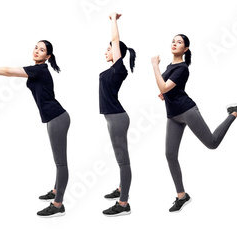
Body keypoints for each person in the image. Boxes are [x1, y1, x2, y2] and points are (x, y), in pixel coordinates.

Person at [151, 34, 237, 213]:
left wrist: (154, 67)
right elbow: (166, 89)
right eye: (173, 41)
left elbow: (164, 86)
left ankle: (234, 113)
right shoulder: (169, 66)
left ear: (186, 49)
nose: (175, 43)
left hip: (187, 111)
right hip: (173, 115)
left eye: (179, 42)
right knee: (170, 154)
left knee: (212, 143)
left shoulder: (182, 68)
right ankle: (182, 196)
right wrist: (164, 94)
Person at [0, 40, 70, 217]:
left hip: (57, 118)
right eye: (36, 47)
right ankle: (56, 190)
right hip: (54, 118)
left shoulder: (39, 70)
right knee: (58, 161)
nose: (36, 51)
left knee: (61, 162)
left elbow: (7, 71)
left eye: (41, 50)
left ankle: (58, 205)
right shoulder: (38, 69)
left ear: (47, 56)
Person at [100, 12, 136, 217]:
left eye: (109, 49)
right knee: (119, 158)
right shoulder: (111, 70)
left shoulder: (118, 68)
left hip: (117, 118)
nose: (106, 51)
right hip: (113, 117)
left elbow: (115, 40)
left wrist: (113, 19)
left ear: (117, 53)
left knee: (123, 161)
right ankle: (122, 188)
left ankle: (123, 204)